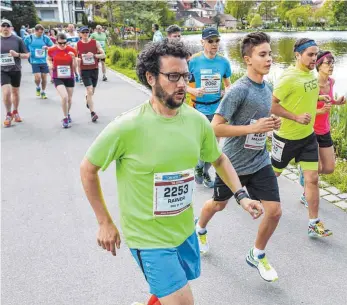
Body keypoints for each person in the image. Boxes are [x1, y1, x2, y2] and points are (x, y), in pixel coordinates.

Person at [80, 39, 263, 305]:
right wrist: (104, 222)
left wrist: (241, 196)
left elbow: (219, 159)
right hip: (148, 238)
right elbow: (88, 169)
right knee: (182, 301)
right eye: (173, 76)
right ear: (150, 77)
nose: (182, 84)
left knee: (170, 290)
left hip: (183, 231)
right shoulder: (127, 127)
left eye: (185, 76)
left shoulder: (197, 121)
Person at [195, 32, 282, 283]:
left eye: (270, 54)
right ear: (247, 59)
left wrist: (271, 123)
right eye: (262, 54)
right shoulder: (238, 90)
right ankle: (200, 229)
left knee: (274, 211)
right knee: (218, 205)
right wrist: (252, 129)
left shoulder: (268, 87)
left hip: (259, 160)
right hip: (232, 163)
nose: (269, 59)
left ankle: (257, 253)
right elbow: (215, 127)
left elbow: (259, 118)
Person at [271, 38, 332, 238]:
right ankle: (250, 195)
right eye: (310, 55)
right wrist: (295, 117)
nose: (314, 58)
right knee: (273, 176)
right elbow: (271, 104)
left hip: (307, 137)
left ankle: (313, 223)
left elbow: (304, 95)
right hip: (285, 138)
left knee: (312, 179)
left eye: (316, 54)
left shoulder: (311, 76)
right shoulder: (289, 77)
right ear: (298, 55)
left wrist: (320, 98)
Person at [298, 50, 346, 207]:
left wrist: (337, 102)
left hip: (325, 130)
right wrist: (319, 111)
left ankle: (304, 172)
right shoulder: (311, 84)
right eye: (328, 63)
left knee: (329, 168)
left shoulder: (331, 82)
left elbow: (327, 101)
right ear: (318, 65)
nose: (331, 66)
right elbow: (303, 110)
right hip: (310, 132)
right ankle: (307, 192)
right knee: (315, 169)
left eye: (333, 63)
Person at [187, 27, 232, 188]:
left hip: (217, 109)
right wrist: (193, 90)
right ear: (202, 42)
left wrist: (226, 91)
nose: (214, 44)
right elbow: (181, 84)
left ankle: (203, 170)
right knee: (202, 144)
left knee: (214, 145)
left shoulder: (223, 62)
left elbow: (228, 85)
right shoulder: (193, 61)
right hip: (198, 108)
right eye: (210, 41)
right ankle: (200, 166)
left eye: (217, 41)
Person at [1, 19, 29, 127]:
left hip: (15, 70)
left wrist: (16, 54)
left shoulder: (18, 40)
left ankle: (15, 111)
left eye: (8, 26)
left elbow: (27, 55)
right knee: (6, 93)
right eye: (3, 26)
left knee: (15, 92)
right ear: (0, 28)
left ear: (11, 28)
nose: (5, 28)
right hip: (2, 71)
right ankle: (8, 114)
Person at [47, 33, 77, 128]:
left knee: (69, 98)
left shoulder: (71, 50)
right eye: (60, 43)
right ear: (56, 42)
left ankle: (67, 113)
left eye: (65, 43)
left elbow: (75, 66)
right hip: (58, 76)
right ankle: (65, 118)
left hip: (69, 76)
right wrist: (50, 64)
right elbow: (48, 59)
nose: (63, 45)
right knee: (64, 97)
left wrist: (73, 58)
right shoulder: (52, 50)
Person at [76, 26, 105, 123]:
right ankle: (93, 113)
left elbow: (103, 54)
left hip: (94, 69)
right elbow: (75, 57)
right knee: (89, 90)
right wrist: (77, 61)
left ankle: (88, 98)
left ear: (89, 33)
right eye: (83, 32)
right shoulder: (78, 44)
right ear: (80, 34)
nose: (85, 34)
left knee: (92, 92)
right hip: (84, 70)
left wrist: (94, 55)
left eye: (86, 32)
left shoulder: (94, 42)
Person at [24, 24, 54, 99]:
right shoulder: (29, 38)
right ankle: (38, 87)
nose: (41, 34)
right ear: (35, 31)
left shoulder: (45, 38)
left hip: (44, 60)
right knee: (37, 78)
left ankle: (43, 92)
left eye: (42, 32)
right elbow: (23, 47)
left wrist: (47, 47)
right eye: (40, 32)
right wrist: (27, 53)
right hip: (34, 60)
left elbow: (53, 46)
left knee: (44, 77)